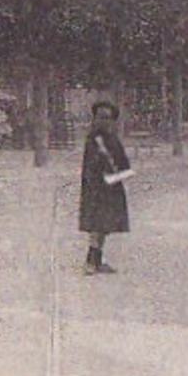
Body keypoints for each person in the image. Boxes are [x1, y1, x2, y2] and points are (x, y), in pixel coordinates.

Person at [79, 100, 131, 274]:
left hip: (111, 185)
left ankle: (98, 260)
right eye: (100, 117)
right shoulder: (93, 139)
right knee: (96, 225)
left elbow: (121, 160)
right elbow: (91, 165)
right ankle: (91, 262)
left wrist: (122, 173)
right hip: (96, 187)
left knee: (104, 226)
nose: (103, 121)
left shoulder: (112, 138)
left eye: (107, 118)